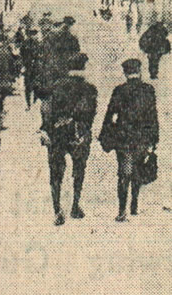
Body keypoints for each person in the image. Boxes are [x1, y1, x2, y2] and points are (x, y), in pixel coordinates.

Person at [39, 53, 97, 226]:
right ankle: (75, 205)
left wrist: (47, 128)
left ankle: (57, 209)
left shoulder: (55, 86)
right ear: (84, 68)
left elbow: (46, 109)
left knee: (55, 172)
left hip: (57, 133)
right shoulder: (89, 89)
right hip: (78, 134)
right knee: (79, 169)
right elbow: (90, 114)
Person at [100, 58, 159, 221]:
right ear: (140, 71)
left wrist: (105, 134)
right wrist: (154, 140)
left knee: (124, 173)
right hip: (142, 137)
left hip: (123, 138)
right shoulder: (148, 90)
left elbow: (110, 115)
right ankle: (134, 204)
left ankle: (121, 210)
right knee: (138, 169)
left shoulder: (119, 90)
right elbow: (153, 116)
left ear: (125, 73)